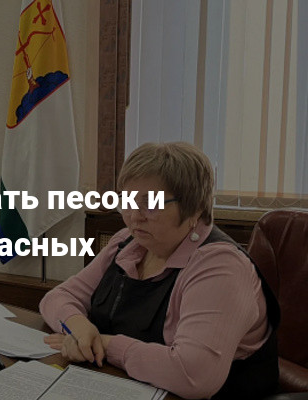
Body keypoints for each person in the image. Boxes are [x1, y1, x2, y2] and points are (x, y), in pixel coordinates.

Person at [39, 142, 279, 399]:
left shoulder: (221, 266)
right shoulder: (126, 243)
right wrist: (78, 327)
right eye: (127, 201)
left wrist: (105, 344)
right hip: (123, 386)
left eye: (151, 204)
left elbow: (193, 375)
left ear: (194, 208)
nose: (134, 216)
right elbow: (57, 298)